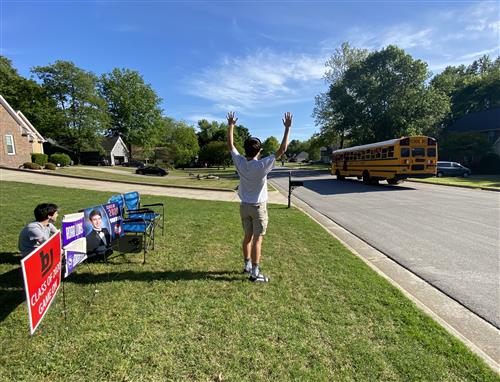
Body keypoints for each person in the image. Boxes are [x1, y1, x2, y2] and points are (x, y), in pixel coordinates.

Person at [227, 111, 292, 282]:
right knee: (258, 239)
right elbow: (282, 150)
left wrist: (231, 125)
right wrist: (287, 129)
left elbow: (230, 146)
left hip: (244, 207)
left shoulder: (240, 162)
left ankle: (247, 264)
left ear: (246, 150)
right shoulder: (262, 165)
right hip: (258, 207)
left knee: (247, 237)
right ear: (259, 151)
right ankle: (255, 272)